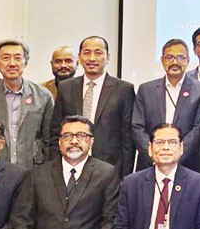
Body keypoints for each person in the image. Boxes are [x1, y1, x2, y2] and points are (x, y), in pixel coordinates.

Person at [49, 35, 136, 177]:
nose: (92, 58)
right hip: (70, 165)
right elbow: (55, 131)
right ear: (79, 57)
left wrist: (125, 176)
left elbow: (127, 139)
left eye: (98, 53)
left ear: (107, 57)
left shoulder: (123, 89)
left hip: (109, 168)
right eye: (87, 53)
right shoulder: (66, 88)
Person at [0, 39, 54, 169]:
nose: (12, 63)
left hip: (33, 169)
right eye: (6, 58)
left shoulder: (43, 96)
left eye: (18, 58)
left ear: (26, 62)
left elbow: (49, 140)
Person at [132, 38, 200, 173]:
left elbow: (199, 128)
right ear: (162, 60)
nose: (175, 62)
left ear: (188, 60)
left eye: (180, 57)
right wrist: (153, 154)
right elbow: (137, 126)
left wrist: (176, 154)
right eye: (170, 57)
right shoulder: (146, 89)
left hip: (187, 165)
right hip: (150, 164)